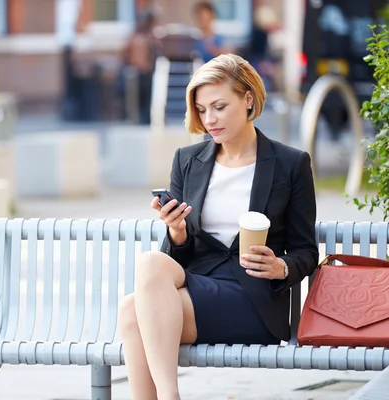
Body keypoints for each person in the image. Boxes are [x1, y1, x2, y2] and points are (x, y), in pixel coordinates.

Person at [118, 54, 319, 400]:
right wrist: (177, 233)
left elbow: (306, 251)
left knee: (132, 310)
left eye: (219, 106)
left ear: (248, 99)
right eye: (201, 109)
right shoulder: (187, 161)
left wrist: (280, 266)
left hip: (254, 299)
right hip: (200, 284)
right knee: (140, 288)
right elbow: (176, 259)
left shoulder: (290, 163)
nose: (209, 119)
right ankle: (169, 396)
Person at [119, 8, 162, 124]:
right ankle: (135, 117)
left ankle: (147, 117)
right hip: (136, 73)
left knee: (149, 95)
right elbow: (126, 55)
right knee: (137, 94)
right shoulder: (135, 38)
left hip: (150, 72)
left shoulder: (153, 37)